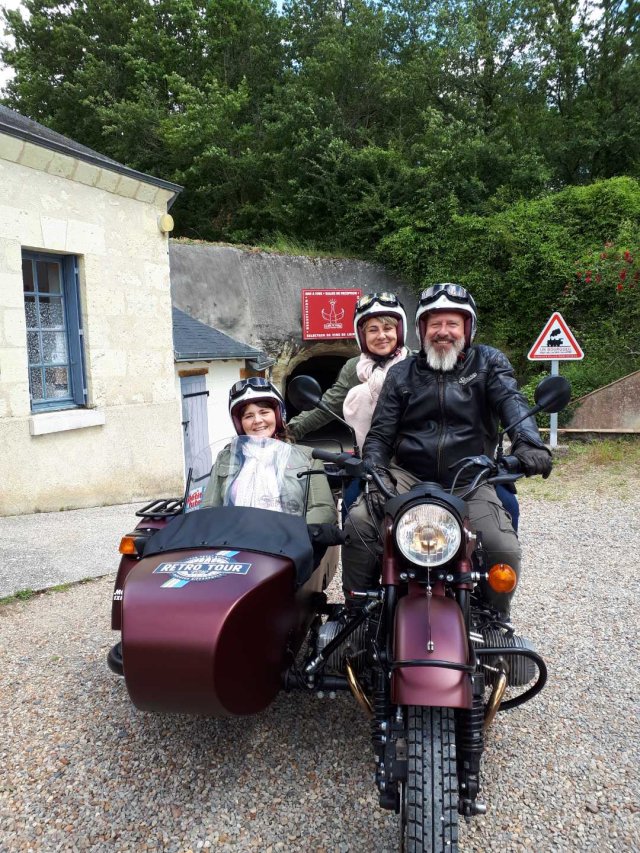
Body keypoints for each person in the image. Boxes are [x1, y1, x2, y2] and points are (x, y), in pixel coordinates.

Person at [342, 283, 552, 618]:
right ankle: (357, 612)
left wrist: (528, 441)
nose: (443, 332)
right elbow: (380, 434)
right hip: (407, 476)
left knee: (502, 546)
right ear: (422, 329)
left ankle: (495, 619)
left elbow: (512, 401)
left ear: (467, 328)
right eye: (435, 324)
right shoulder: (401, 373)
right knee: (359, 523)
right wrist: (376, 472)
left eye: (452, 324)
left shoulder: (488, 363)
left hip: (470, 477)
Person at [201, 377, 336, 527]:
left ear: (277, 416)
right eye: (248, 416)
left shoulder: (307, 459)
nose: (257, 420)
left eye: (264, 412)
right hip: (235, 540)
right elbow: (209, 509)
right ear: (240, 423)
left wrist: (293, 532)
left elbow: (323, 509)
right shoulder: (226, 457)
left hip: (287, 543)